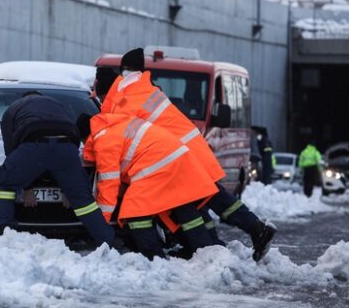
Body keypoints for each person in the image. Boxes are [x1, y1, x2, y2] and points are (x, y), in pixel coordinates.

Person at [101, 48, 276, 261]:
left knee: (204, 198)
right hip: (190, 147)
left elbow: (123, 133)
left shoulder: (127, 96)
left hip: (179, 153)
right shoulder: (149, 89)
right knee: (209, 197)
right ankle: (232, 236)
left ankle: (234, 236)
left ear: (123, 70)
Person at [80, 113, 218, 260]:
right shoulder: (114, 126)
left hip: (158, 165)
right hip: (175, 159)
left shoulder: (103, 141)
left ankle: (153, 257)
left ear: (84, 136)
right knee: (183, 209)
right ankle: (203, 250)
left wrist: (100, 221)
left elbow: (109, 183)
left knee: (135, 211)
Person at [0, 91, 115, 247]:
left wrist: (27, 186)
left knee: (4, 182)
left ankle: (6, 235)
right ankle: (107, 241)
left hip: (33, 145)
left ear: (24, 99)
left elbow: (11, 150)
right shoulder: (56, 105)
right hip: (66, 147)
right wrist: (66, 187)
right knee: (83, 200)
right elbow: (73, 137)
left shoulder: (13, 108)